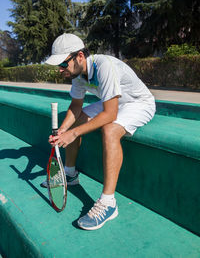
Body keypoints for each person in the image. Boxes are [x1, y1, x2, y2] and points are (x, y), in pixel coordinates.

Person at [42, 33, 156, 230]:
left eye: (63, 64)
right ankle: (69, 174)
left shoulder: (105, 66)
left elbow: (110, 115)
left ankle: (108, 203)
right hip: (114, 101)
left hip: (138, 103)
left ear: (79, 56)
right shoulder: (78, 74)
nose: (61, 70)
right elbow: (76, 106)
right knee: (73, 122)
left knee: (109, 130)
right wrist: (63, 131)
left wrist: (74, 133)